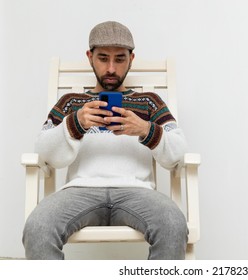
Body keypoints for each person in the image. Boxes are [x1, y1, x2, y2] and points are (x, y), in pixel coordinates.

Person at [22, 21, 188, 260]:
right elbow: (43, 151)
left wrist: (145, 129)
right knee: (37, 228)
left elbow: (179, 152)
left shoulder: (149, 102)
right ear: (90, 57)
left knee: (173, 223)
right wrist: (75, 123)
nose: (111, 68)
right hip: (80, 191)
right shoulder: (71, 102)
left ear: (131, 59)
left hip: (137, 192)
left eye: (120, 59)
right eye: (103, 58)